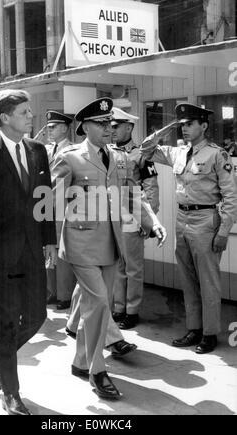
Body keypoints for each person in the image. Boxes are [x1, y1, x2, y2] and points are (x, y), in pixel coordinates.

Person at [52, 97, 167, 400]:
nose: (108, 128)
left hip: (110, 245)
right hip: (80, 244)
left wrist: (151, 221)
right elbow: (53, 201)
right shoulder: (70, 157)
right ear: (84, 126)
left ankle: (79, 361)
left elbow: (133, 195)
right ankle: (97, 371)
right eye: (101, 123)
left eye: (110, 124)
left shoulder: (118, 158)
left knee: (94, 306)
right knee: (101, 303)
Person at [0, 89, 57, 416]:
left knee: (37, 314)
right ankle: (12, 393)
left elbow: (44, 198)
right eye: (24, 112)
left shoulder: (38, 150)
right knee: (3, 321)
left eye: (30, 111)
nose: (31, 116)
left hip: (32, 248)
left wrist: (49, 240)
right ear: (5, 118)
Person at [141, 103, 237, 354]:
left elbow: (231, 196)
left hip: (206, 220)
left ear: (204, 126)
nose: (184, 129)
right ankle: (193, 328)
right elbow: (146, 149)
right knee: (187, 279)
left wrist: (224, 231)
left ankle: (209, 333)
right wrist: (167, 128)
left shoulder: (217, 154)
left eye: (189, 124)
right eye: (181, 125)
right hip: (182, 220)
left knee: (208, 280)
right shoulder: (177, 152)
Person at [111, 107, 160, 330]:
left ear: (129, 127)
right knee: (116, 266)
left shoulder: (142, 154)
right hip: (110, 217)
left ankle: (132, 310)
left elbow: (151, 191)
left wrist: (147, 222)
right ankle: (118, 308)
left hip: (132, 216)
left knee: (133, 267)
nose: (111, 131)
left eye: (115, 127)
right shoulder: (106, 152)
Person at [45, 110, 77, 310]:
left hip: (65, 205)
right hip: (46, 204)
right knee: (48, 248)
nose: (49, 130)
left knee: (64, 251)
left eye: (53, 127)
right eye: (49, 127)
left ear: (65, 128)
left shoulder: (73, 150)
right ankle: (52, 292)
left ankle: (65, 295)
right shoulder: (48, 150)